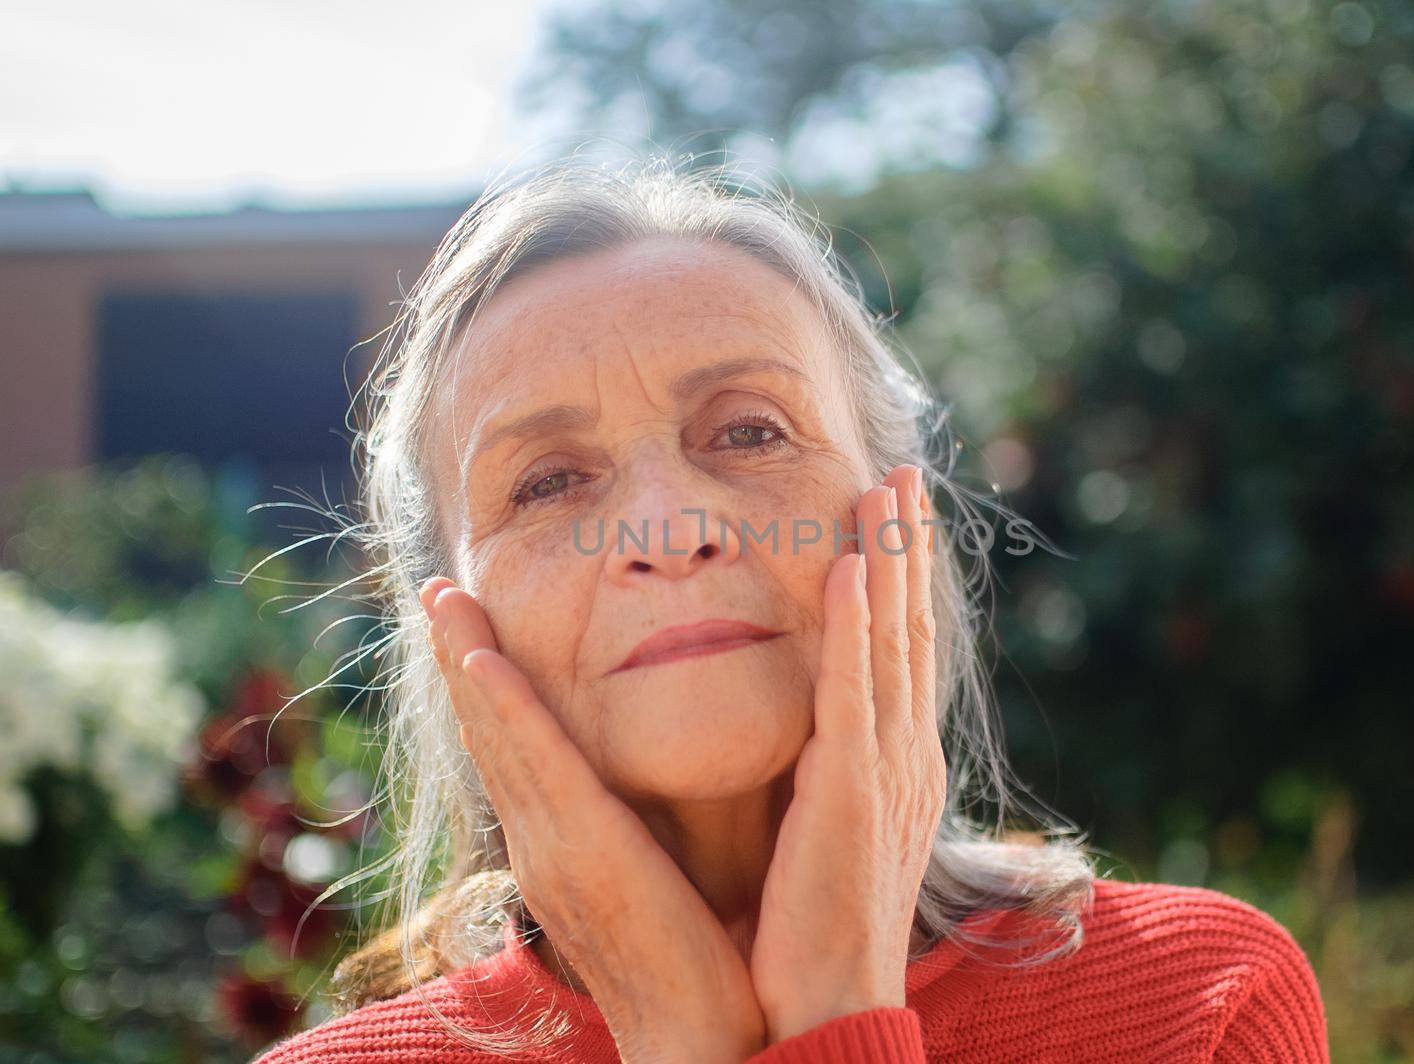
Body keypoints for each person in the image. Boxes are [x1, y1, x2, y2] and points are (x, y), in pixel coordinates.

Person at [253, 152, 1329, 1062]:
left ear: (896, 513)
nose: (667, 527)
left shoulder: (1201, 1004)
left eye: (748, 430)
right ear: (447, 622)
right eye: (547, 482)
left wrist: (834, 1012)